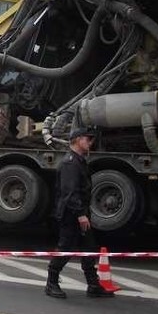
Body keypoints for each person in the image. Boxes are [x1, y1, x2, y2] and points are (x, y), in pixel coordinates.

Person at [45, 126, 114, 299]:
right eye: (87, 139)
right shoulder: (70, 163)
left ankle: (93, 284)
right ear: (76, 140)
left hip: (81, 211)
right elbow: (70, 192)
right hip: (71, 213)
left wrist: (83, 213)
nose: (90, 142)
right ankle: (51, 283)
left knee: (89, 247)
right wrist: (80, 214)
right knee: (65, 247)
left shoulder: (79, 160)